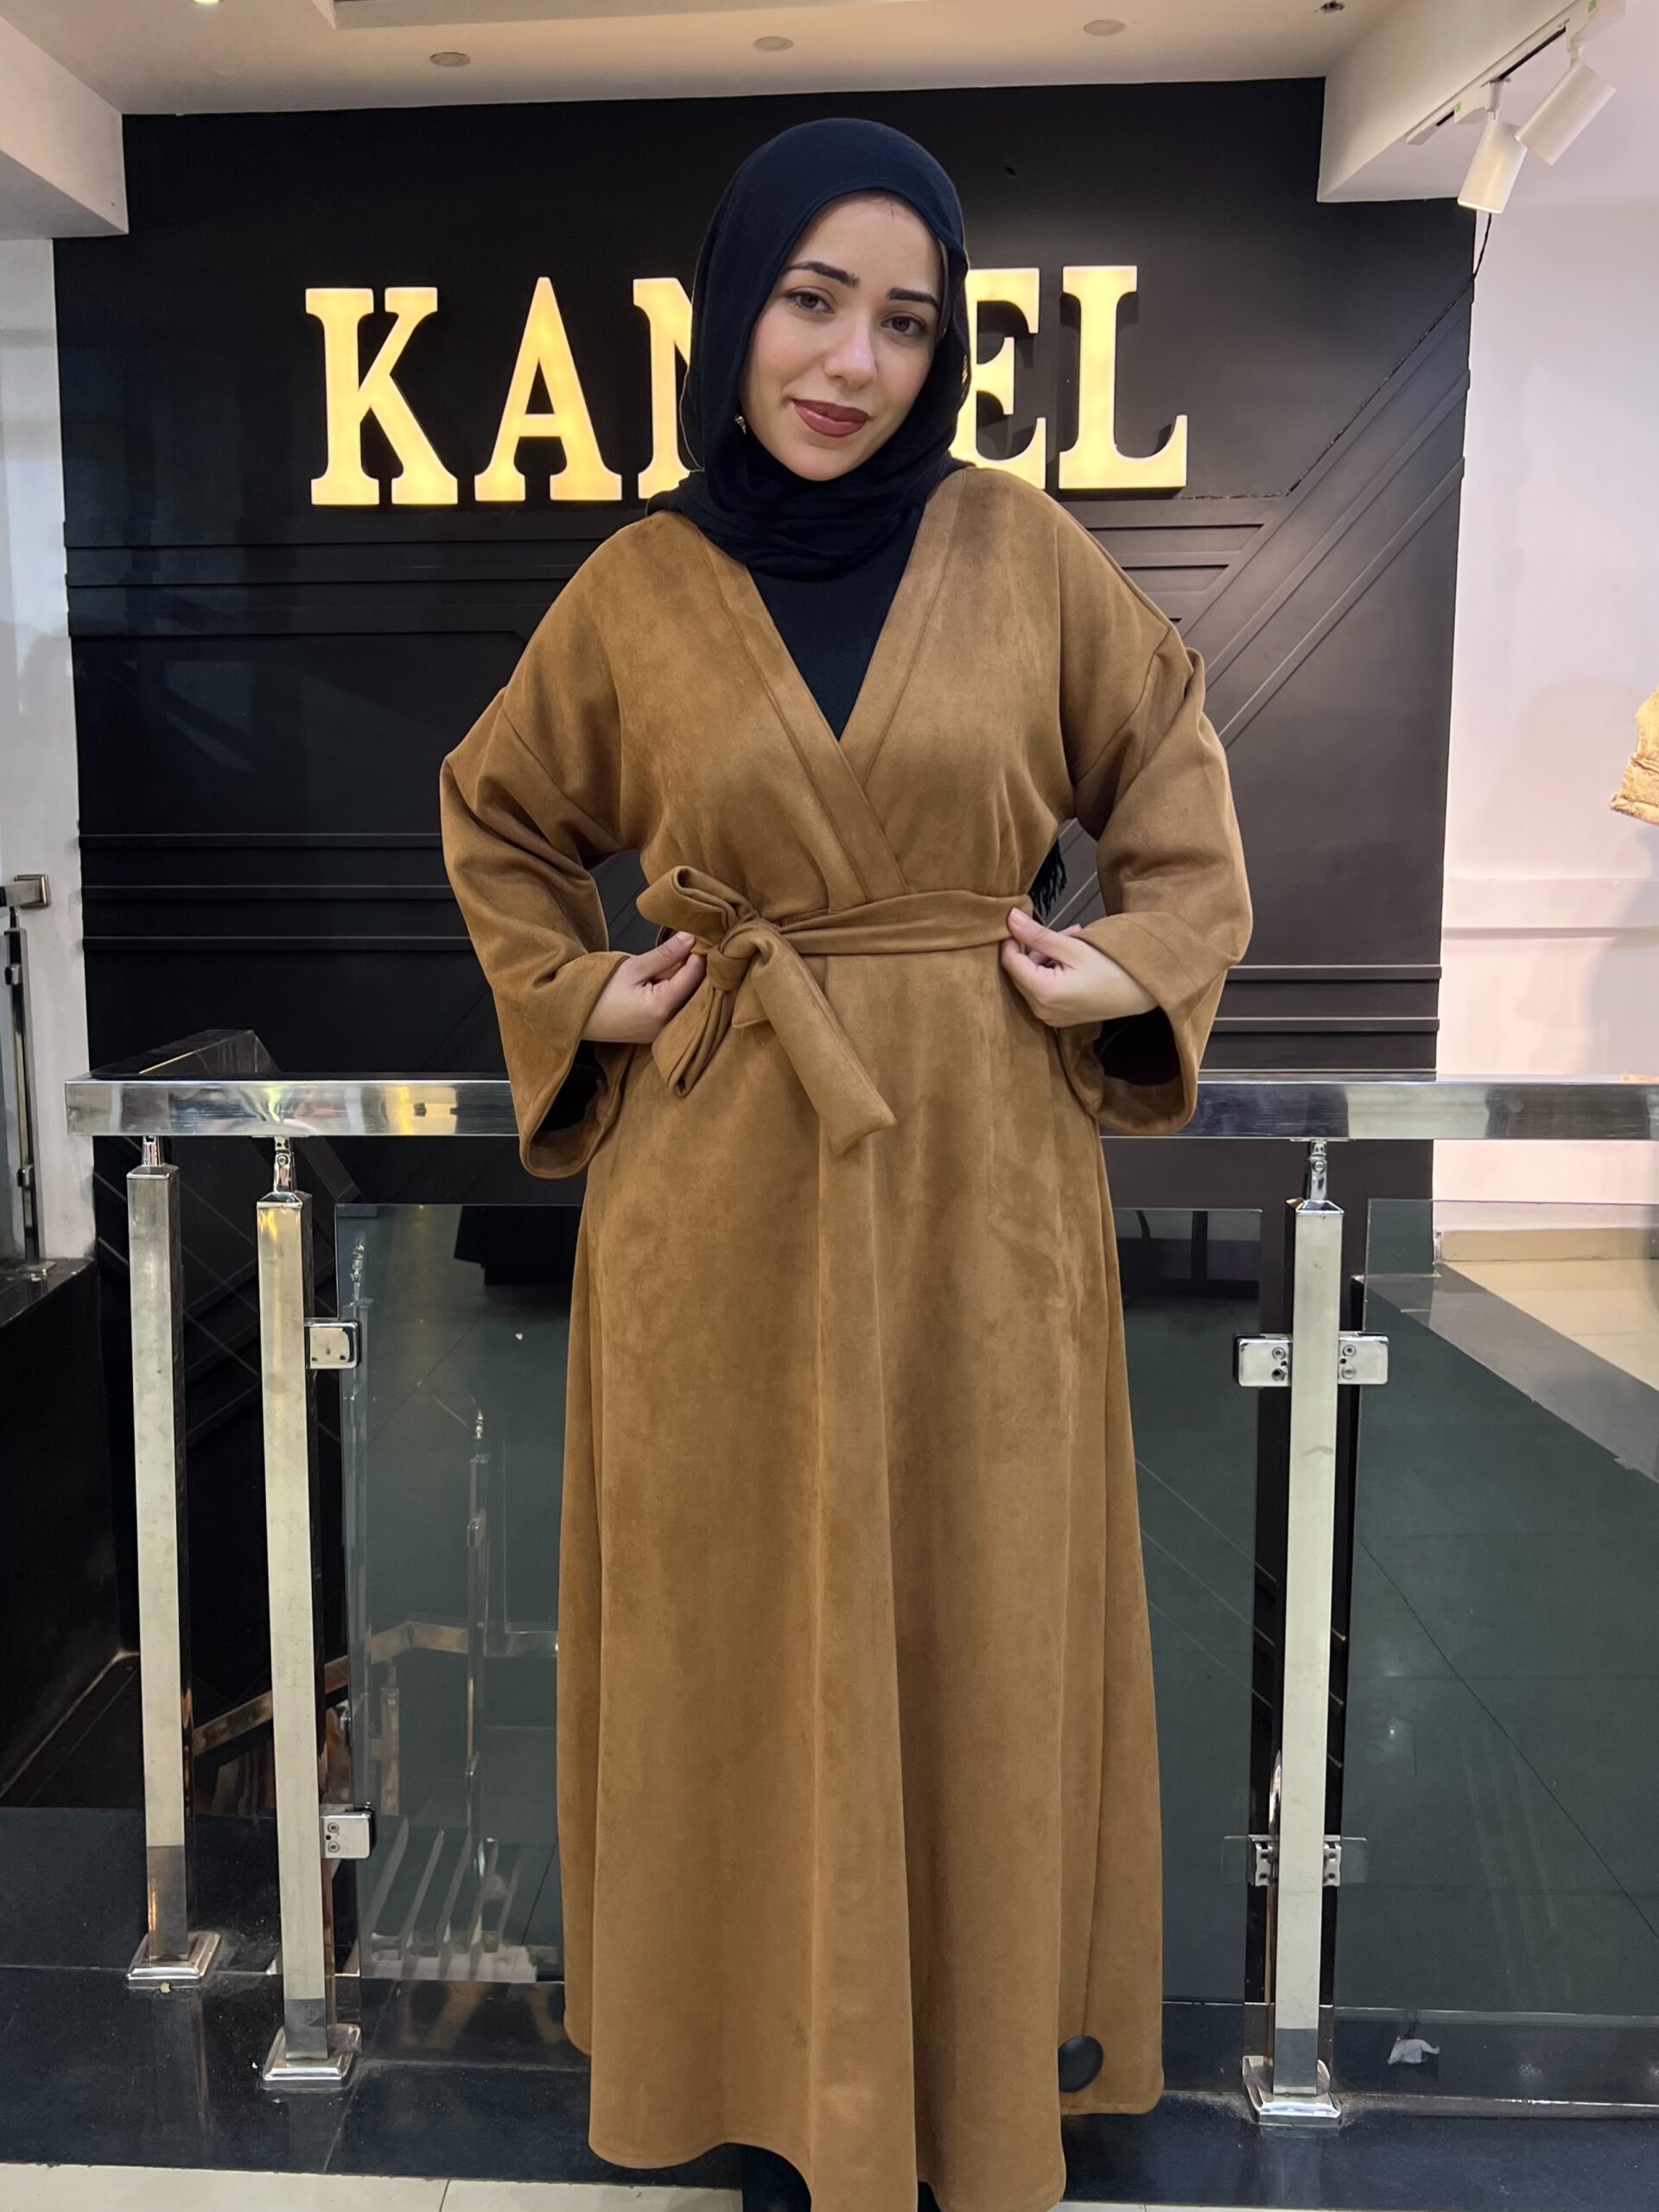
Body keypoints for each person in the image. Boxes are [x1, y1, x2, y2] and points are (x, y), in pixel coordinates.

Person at [439, 115, 1252, 2212]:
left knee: (983, 1610)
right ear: (735, 312)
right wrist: (585, 992)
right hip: (717, 1192)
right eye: (812, 300)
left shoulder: (1026, 553)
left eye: (904, 319)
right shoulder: (636, 587)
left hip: (984, 1193)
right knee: (733, 1623)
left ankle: (969, 2076)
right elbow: (500, 813)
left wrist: (1132, 962)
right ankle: (774, 2079)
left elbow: (1176, 793)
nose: (852, 360)